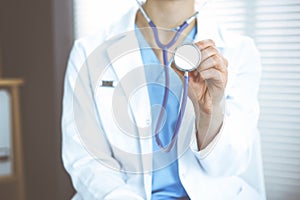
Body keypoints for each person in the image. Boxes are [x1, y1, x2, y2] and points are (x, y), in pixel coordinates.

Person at [62, 0, 266, 199]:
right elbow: (86, 160)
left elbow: (227, 165)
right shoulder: (87, 52)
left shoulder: (238, 51)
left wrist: (209, 112)